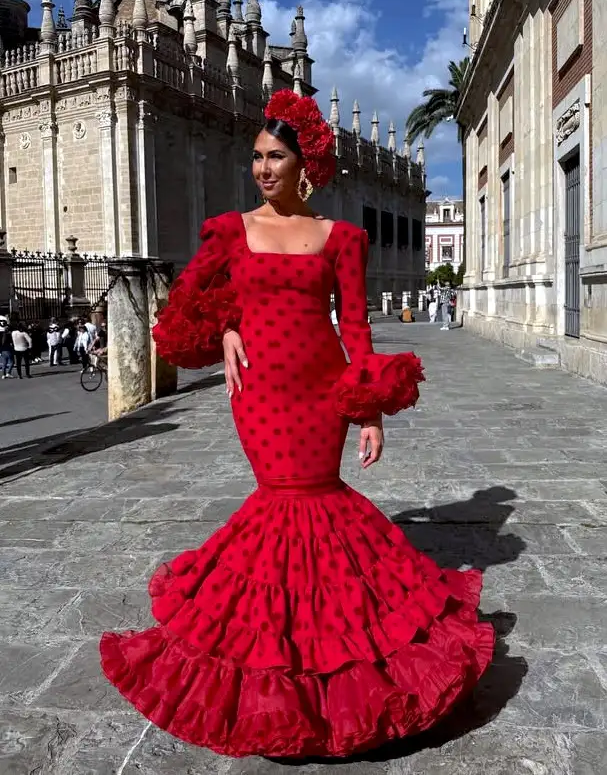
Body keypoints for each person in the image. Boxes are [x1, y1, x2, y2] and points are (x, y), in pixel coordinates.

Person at [100, 89, 494, 759]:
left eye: (274, 156)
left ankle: (329, 648)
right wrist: (226, 323)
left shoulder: (341, 237)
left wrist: (367, 408)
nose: (261, 168)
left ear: (303, 163)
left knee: (319, 497)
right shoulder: (229, 230)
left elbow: (358, 327)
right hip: (258, 392)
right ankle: (275, 650)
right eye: (255, 156)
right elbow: (186, 299)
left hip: (319, 389)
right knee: (278, 503)